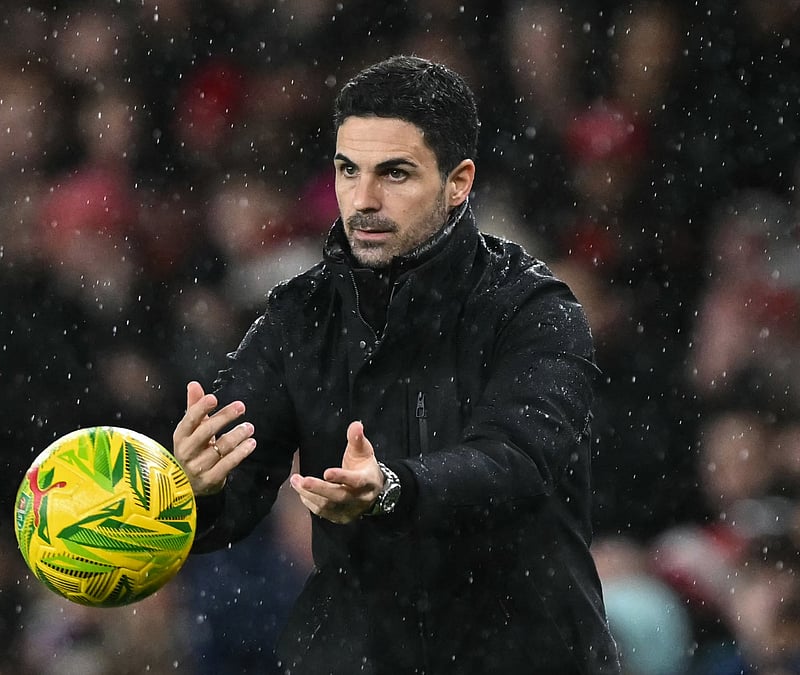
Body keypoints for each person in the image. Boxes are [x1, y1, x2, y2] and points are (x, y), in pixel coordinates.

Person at [172, 55, 621, 674]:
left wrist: (393, 488)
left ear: (458, 182)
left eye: (395, 174)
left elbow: (519, 463)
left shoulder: (533, 309)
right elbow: (235, 494)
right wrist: (193, 490)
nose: (363, 199)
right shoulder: (296, 318)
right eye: (348, 170)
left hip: (525, 655)